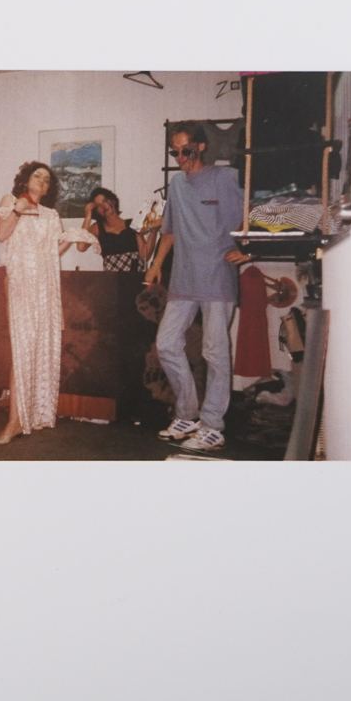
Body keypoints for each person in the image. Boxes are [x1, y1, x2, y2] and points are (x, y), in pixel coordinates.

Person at [144, 122, 250, 453]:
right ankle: (188, 414)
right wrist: (157, 264)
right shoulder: (177, 184)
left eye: (186, 150)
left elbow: (259, 209)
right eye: (174, 152)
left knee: (214, 352)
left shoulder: (226, 177)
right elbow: (170, 230)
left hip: (217, 277)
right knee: (166, 344)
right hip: (184, 279)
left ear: (201, 147)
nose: (180, 158)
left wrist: (250, 250)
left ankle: (213, 426)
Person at [0, 161, 66, 444]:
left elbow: (52, 253)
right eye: (38, 176)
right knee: (21, 352)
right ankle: (14, 422)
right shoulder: (10, 201)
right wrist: (17, 211)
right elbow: (1, 234)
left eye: (47, 180)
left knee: (40, 350)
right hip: (20, 284)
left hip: (44, 288)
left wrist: (72, 239)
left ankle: (33, 415)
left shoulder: (51, 215)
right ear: (25, 179)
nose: (43, 182)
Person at [83, 187, 154, 274]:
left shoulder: (132, 223)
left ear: (113, 201)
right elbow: (81, 247)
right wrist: (88, 216)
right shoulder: (97, 227)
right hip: (112, 278)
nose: (103, 206)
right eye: (98, 205)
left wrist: (154, 231)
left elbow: (145, 256)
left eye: (104, 201)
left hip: (135, 275)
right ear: (96, 211)